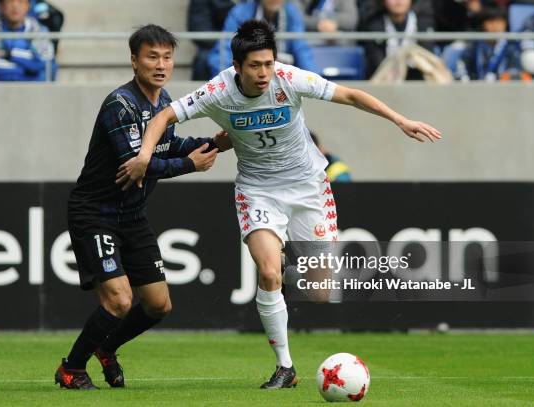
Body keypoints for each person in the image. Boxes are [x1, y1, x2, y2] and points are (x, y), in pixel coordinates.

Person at [117, 20, 441, 389]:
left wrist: (400, 120)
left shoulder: (290, 79)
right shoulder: (218, 91)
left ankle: (286, 261)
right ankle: (285, 367)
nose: (264, 73)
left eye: (269, 64)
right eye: (255, 66)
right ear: (237, 67)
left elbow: (350, 95)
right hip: (258, 190)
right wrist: (144, 156)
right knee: (268, 272)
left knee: (319, 293)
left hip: (308, 188)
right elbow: (164, 116)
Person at [54, 24, 228, 390]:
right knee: (119, 299)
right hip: (95, 212)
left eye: (167, 57)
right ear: (134, 61)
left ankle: (107, 347)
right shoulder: (119, 105)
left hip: (132, 217)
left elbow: (169, 145)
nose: (161, 64)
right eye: (152, 57)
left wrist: (214, 143)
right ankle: (71, 368)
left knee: (159, 305)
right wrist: (190, 165)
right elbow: (136, 165)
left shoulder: (164, 104)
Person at [207, 0, 320, 77]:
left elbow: (302, 50)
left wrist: (314, 80)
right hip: (248, 74)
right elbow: (224, 50)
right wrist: (223, 81)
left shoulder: (292, 13)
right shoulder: (240, 13)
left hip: (282, 75)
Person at [0, 0, 56, 81]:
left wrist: (10, 54)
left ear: (28, 5)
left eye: (20, 1)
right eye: (9, 1)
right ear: (0, 6)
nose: (15, 6)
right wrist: (29, 69)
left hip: (34, 91)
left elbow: (43, 62)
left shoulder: (40, 30)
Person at [359, 0, 437, 79]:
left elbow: (427, 56)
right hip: (385, 83)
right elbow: (376, 63)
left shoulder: (423, 23)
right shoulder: (374, 25)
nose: (399, 1)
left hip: (418, 81)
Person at [187, 0, 238, 80]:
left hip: (239, 45)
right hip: (216, 45)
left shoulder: (250, 5)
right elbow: (199, 30)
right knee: (204, 59)